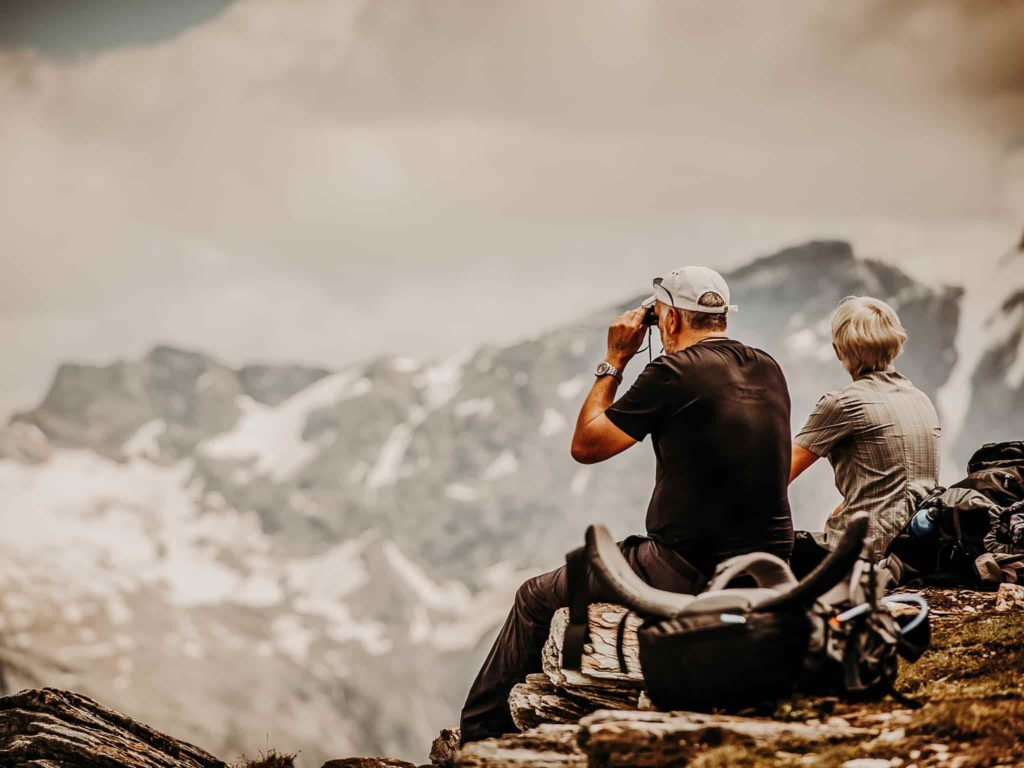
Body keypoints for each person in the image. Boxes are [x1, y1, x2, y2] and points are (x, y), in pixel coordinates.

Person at [459, 266, 794, 744]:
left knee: (537, 596)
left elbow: (587, 445)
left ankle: (480, 736)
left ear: (672, 320)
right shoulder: (767, 366)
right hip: (769, 563)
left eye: (659, 316)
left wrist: (614, 359)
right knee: (593, 568)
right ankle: (562, 690)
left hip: (687, 565)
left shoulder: (674, 371)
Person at [788, 296, 941, 573]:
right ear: (896, 345)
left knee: (764, 555)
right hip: (916, 548)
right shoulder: (920, 399)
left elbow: (779, 474)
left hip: (864, 552)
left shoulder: (842, 404)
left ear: (838, 350)